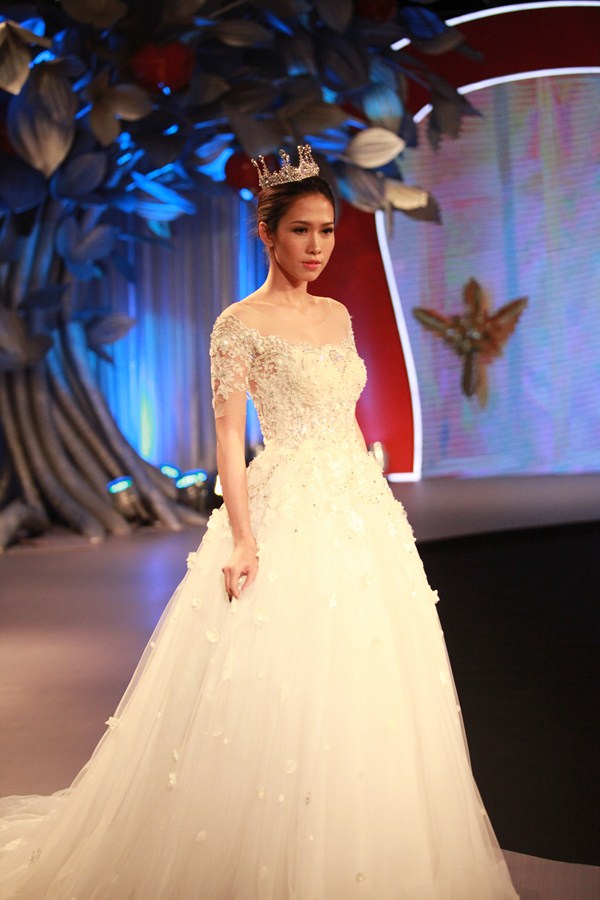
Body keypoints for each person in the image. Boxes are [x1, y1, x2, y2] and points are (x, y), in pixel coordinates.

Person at [0, 146, 519, 899]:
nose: (317, 246)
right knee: (285, 681)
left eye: (327, 230)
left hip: (361, 511)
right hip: (286, 508)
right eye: (301, 230)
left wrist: (371, 496)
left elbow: (344, 415)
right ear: (267, 232)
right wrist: (245, 538)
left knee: (375, 678)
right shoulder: (237, 324)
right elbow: (227, 444)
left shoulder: (338, 315)